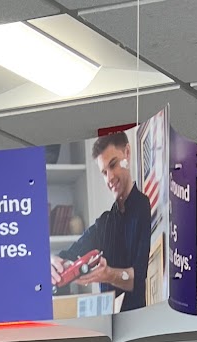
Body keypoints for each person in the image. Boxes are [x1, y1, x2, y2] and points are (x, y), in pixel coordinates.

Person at [57, 130, 151, 311]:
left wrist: (108, 274)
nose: (110, 178)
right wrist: (55, 262)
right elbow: (69, 255)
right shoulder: (103, 224)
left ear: (127, 153)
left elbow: (139, 278)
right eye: (104, 172)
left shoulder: (144, 207)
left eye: (113, 165)